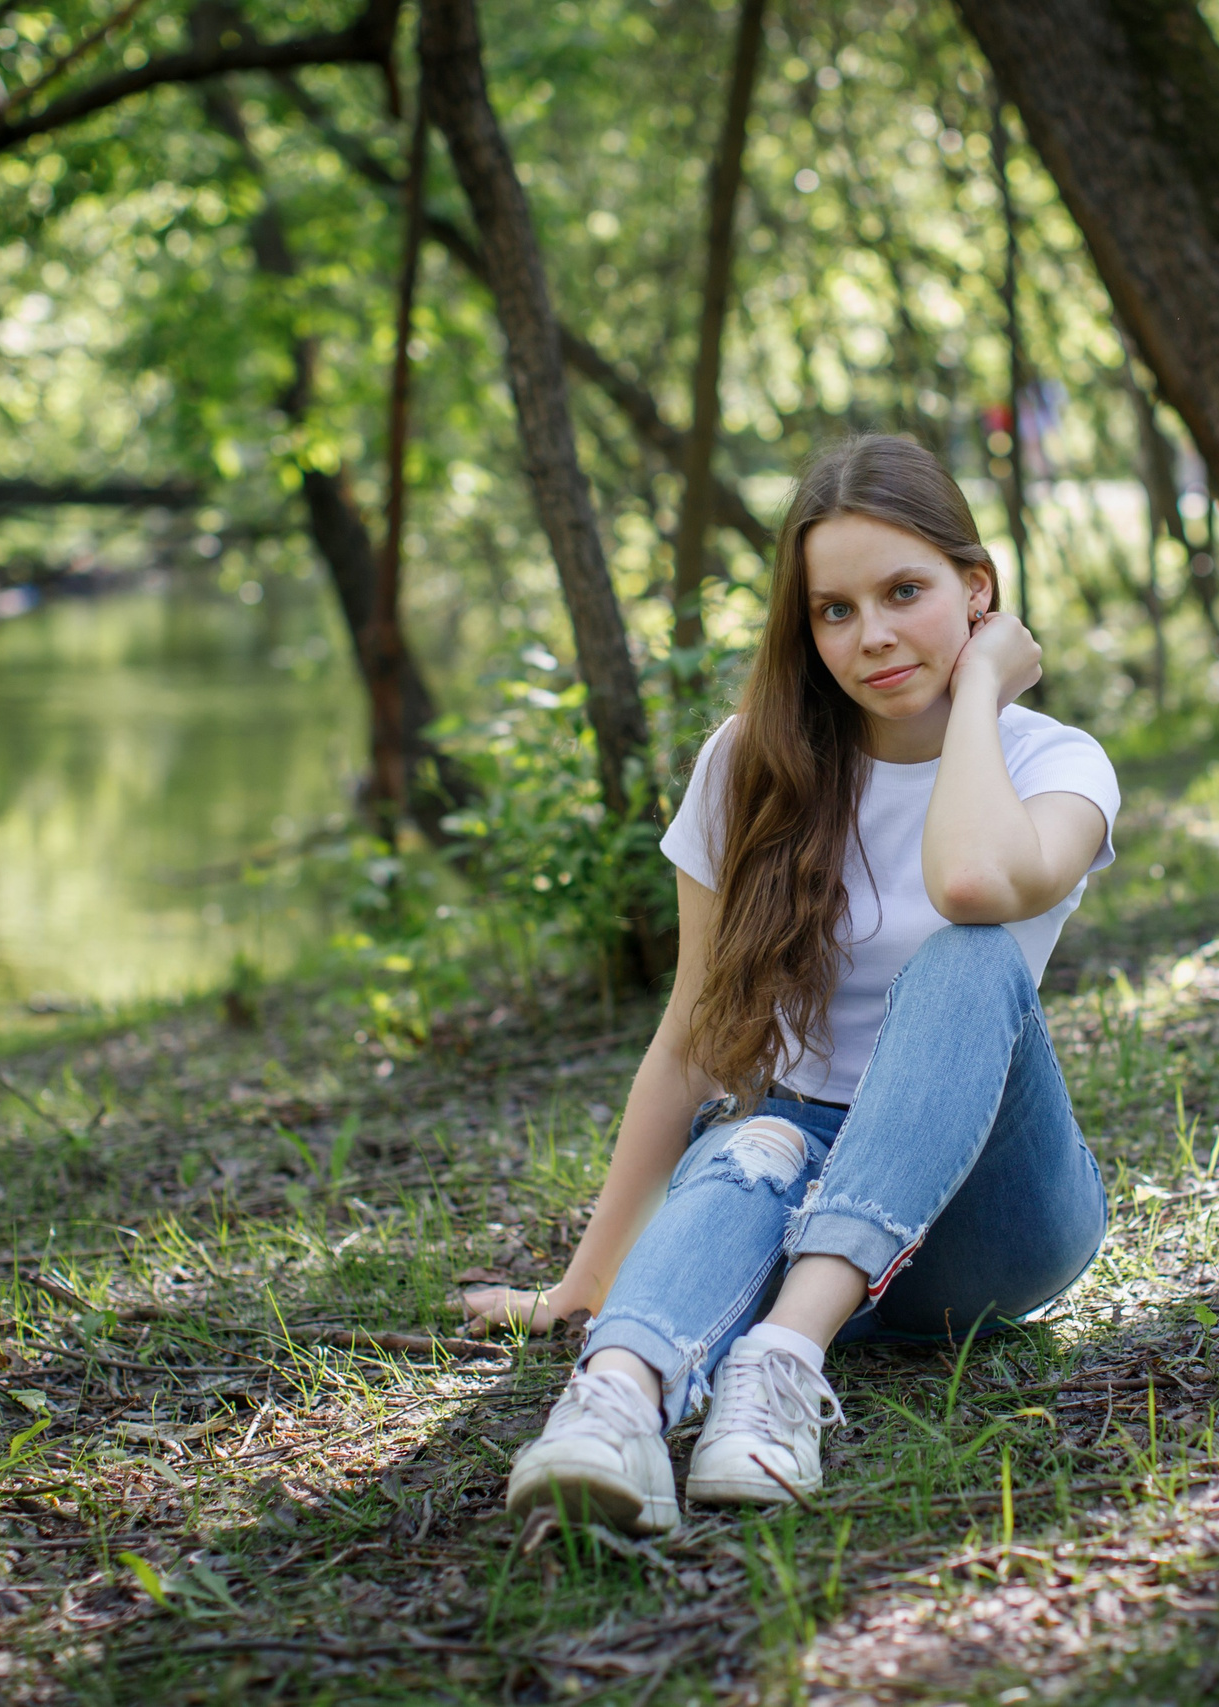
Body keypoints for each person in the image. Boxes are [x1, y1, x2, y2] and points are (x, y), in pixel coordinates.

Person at [458, 433, 1119, 1534]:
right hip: (796, 1177)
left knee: (968, 956)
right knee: (756, 1135)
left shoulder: (1055, 762)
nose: (873, 637)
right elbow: (691, 1041)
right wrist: (585, 1282)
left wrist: (979, 694)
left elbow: (967, 881)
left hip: (988, 1218)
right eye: (834, 611)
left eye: (906, 592)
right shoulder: (747, 764)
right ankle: (612, 1405)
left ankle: (782, 1356)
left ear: (978, 589)